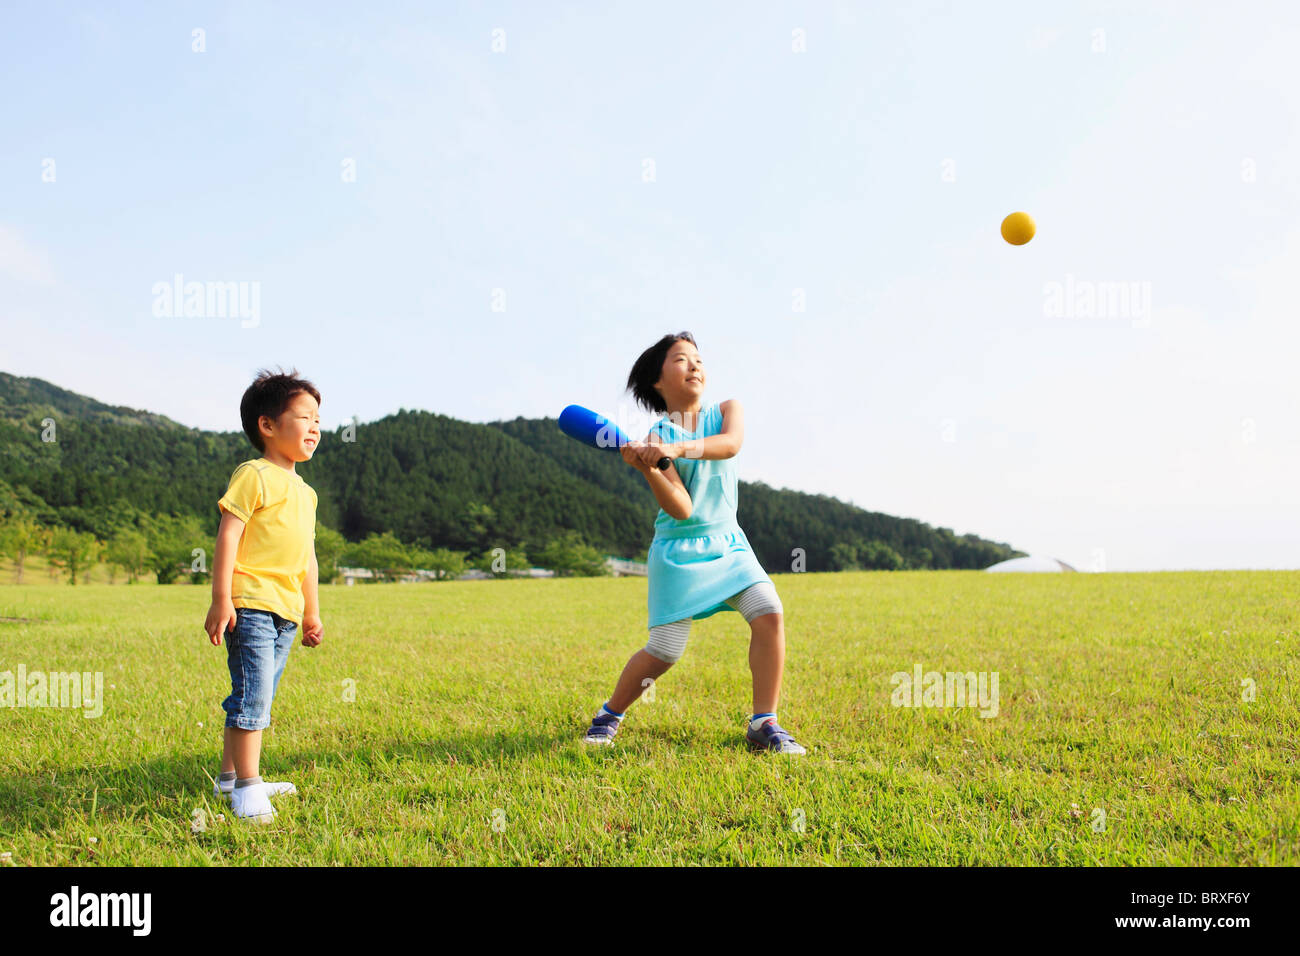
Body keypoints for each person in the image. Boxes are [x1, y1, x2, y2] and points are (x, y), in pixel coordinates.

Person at [583, 333, 805, 754]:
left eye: (698, 359)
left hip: (729, 542)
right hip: (678, 550)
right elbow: (682, 508)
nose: (695, 366)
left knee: (769, 611)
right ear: (657, 381)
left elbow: (730, 445)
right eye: (681, 360)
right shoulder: (655, 436)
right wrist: (648, 467)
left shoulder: (725, 411)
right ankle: (610, 714)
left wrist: (677, 447)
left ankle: (764, 722)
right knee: (664, 651)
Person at [203, 368, 325, 822]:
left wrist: (311, 611)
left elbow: (307, 557)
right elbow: (228, 534)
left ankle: (231, 780)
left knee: (258, 695)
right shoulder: (254, 474)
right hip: (250, 603)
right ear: (267, 425)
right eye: (305, 416)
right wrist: (221, 598)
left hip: (286, 611)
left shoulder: (307, 493)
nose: (315, 427)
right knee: (251, 697)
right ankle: (249, 789)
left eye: (319, 419)